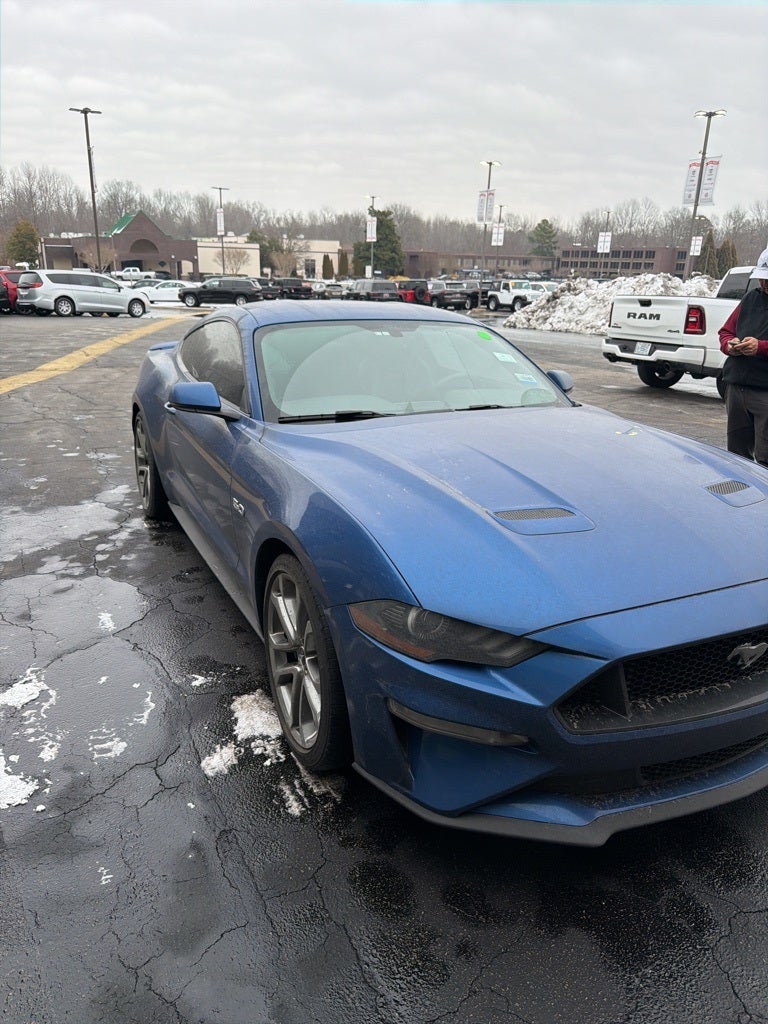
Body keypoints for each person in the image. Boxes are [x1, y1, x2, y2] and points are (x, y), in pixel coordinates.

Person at [718, 247, 768, 466]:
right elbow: (725, 331)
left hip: (764, 391)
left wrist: (761, 347)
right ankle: (741, 497)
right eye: (762, 279)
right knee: (736, 456)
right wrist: (730, 345)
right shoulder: (751, 298)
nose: (764, 284)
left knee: (765, 456)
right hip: (737, 386)